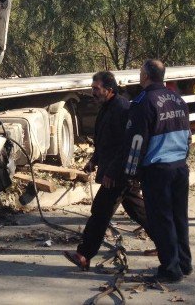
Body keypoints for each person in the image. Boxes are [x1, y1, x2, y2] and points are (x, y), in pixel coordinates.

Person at [63, 71, 150, 271]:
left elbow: (125, 145)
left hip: (118, 174)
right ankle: (167, 244)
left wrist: (112, 172)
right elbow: (105, 141)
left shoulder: (121, 108)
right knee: (139, 211)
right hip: (114, 171)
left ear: (109, 90)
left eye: (96, 89)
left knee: (100, 212)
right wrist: (93, 160)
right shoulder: (106, 107)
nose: (93, 92)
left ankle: (84, 255)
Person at [123, 59, 192, 283]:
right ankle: (184, 263)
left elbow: (136, 142)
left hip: (157, 170)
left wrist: (131, 172)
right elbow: (188, 136)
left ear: (145, 76)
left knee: (162, 220)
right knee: (179, 217)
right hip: (180, 167)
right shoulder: (178, 99)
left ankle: (171, 268)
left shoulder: (143, 102)